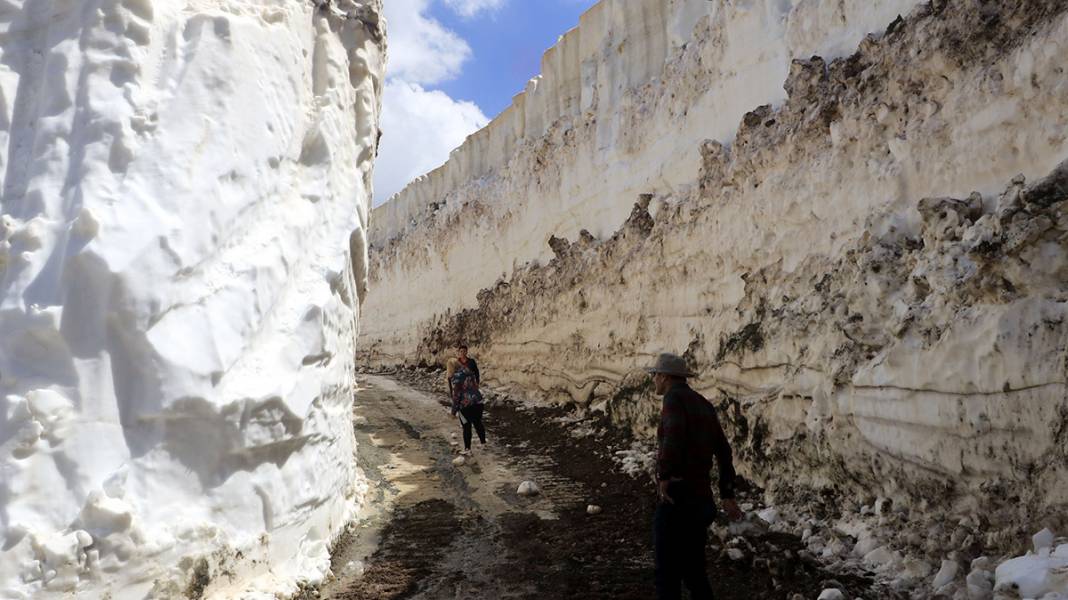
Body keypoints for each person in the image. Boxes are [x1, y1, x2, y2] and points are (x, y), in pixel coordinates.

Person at [646, 352, 743, 600]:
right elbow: (723, 449)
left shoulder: (673, 400)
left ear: (666, 376)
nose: (654, 379)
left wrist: (664, 475)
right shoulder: (703, 403)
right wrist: (727, 492)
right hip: (701, 500)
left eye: (655, 374)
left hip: (679, 498)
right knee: (694, 571)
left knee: (666, 574)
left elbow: (673, 437)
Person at [447, 343, 486, 453]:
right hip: (478, 401)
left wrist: (453, 412)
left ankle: (467, 449)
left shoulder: (456, 378)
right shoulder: (468, 372)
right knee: (478, 422)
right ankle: (483, 443)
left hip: (466, 405)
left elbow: (457, 395)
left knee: (466, 426)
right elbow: (474, 379)